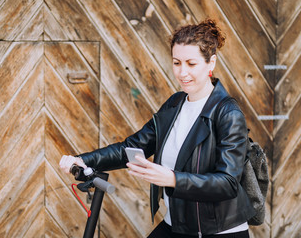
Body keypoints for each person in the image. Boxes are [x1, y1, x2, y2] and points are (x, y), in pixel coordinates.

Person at [59, 18, 255, 238]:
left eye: (191, 64)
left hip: (218, 231)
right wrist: (83, 160)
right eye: (176, 62)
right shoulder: (174, 105)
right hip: (176, 225)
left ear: (211, 63)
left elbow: (227, 183)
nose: (182, 72)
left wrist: (172, 179)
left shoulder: (228, 113)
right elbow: (132, 147)